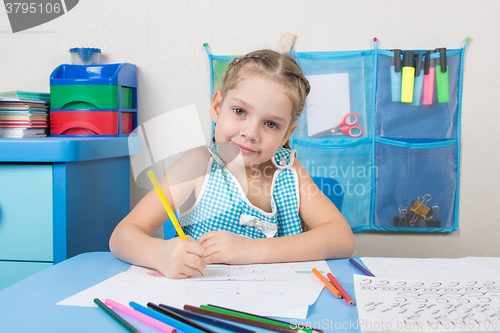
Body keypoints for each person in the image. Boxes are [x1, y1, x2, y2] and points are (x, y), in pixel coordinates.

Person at [110, 49, 355, 279]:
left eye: (271, 124)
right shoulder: (197, 164)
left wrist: (253, 250)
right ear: (217, 107)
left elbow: (342, 238)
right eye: (239, 111)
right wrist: (159, 254)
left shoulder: (290, 171)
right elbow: (122, 236)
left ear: (287, 134)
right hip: (201, 307)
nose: (250, 132)